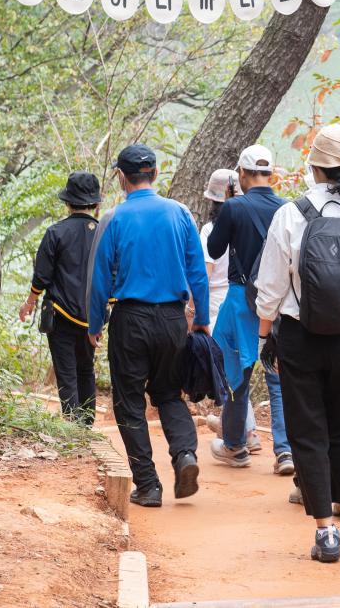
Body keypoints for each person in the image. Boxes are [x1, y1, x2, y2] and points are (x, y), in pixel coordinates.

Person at [255, 124, 340, 563]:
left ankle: (325, 532)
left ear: (312, 165)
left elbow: (271, 288)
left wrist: (265, 337)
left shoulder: (291, 215)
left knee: (307, 430)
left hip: (299, 336)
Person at [88, 143, 210, 508]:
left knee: (128, 402)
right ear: (155, 174)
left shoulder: (114, 218)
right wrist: (201, 319)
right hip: (173, 319)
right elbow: (198, 273)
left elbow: (99, 279)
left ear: (121, 178)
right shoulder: (180, 213)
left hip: (131, 319)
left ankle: (148, 485)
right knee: (169, 394)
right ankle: (185, 454)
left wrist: (95, 323)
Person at [206, 145, 293, 475]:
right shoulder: (288, 209)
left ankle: (235, 446)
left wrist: (229, 207)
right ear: (271, 174)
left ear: (241, 175)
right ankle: (285, 452)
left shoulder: (235, 207)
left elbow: (214, 249)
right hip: (280, 303)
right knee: (278, 381)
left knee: (236, 377)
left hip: (242, 299)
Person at [19, 171, 102, 426]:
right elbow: (112, 275)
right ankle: (86, 425)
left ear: (67, 202)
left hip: (61, 314)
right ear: (96, 205)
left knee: (67, 372)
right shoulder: (104, 234)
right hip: (92, 316)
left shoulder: (56, 232)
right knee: (86, 368)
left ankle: (72, 426)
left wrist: (30, 302)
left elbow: (42, 277)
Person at [199, 168, 261, 454]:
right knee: (241, 367)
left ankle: (242, 432)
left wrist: (194, 311)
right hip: (245, 298)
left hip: (218, 304)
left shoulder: (211, 230)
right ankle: (243, 430)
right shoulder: (249, 222)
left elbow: (207, 273)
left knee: (231, 371)